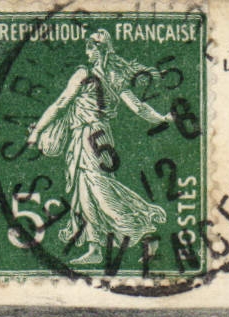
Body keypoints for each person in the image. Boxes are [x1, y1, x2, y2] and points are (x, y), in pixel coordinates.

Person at [25, 30, 169, 264]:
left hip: (88, 136)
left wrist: (38, 131)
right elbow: (139, 107)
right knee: (85, 193)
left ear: (99, 49)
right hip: (101, 137)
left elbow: (61, 104)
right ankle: (95, 248)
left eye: (90, 48)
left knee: (99, 189)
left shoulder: (84, 73)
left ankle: (143, 232)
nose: (86, 52)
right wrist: (161, 118)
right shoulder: (114, 76)